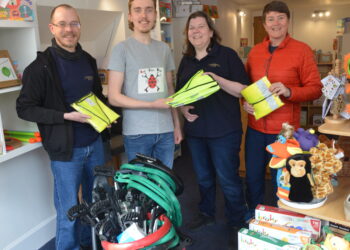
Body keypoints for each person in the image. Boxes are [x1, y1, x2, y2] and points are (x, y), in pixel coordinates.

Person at [16, 4, 106, 249]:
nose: (69, 29)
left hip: (94, 145)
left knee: (96, 204)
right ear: (52, 28)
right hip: (66, 152)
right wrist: (65, 116)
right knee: (69, 211)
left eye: (74, 23)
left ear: (79, 26)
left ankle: (91, 243)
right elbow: (24, 108)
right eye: (63, 24)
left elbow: (96, 97)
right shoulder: (40, 67)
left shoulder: (88, 60)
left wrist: (106, 114)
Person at [176, 11, 249, 248]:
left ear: (210, 31)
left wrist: (218, 79)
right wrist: (184, 110)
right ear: (188, 34)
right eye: (191, 28)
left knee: (228, 179)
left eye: (200, 27)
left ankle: (236, 222)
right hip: (196, 132)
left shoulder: (226, 55)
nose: (196, 31)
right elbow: (180, 95)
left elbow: (243, 90)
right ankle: (206, 214)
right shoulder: (186, 60)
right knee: (204, 178)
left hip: (224, 131)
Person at [244, 0, 322, 219]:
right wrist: (245, 101)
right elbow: (246, 87)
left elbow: (315, 89)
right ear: (265, 23)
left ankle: (283, 218)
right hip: (256, 128)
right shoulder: (255, 52)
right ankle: (254, 214)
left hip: (285, 131)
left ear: (288, 21)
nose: (275, 23)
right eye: (271, 19)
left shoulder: (302, 50)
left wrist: (289, 91)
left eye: (280, 18)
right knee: (253, 177)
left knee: (284, 178)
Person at [108, 0, 182, 168]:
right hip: (137, 133)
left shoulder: (164, 49)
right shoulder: (121, 49)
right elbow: (113, 97)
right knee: (141, 189)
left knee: (164, 185)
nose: (143, 15)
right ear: (130, 16)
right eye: (138, 10)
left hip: (165, 131)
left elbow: (170, 90)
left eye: (149, 10)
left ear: (155, 15)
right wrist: (151, 104)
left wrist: (176, 125)